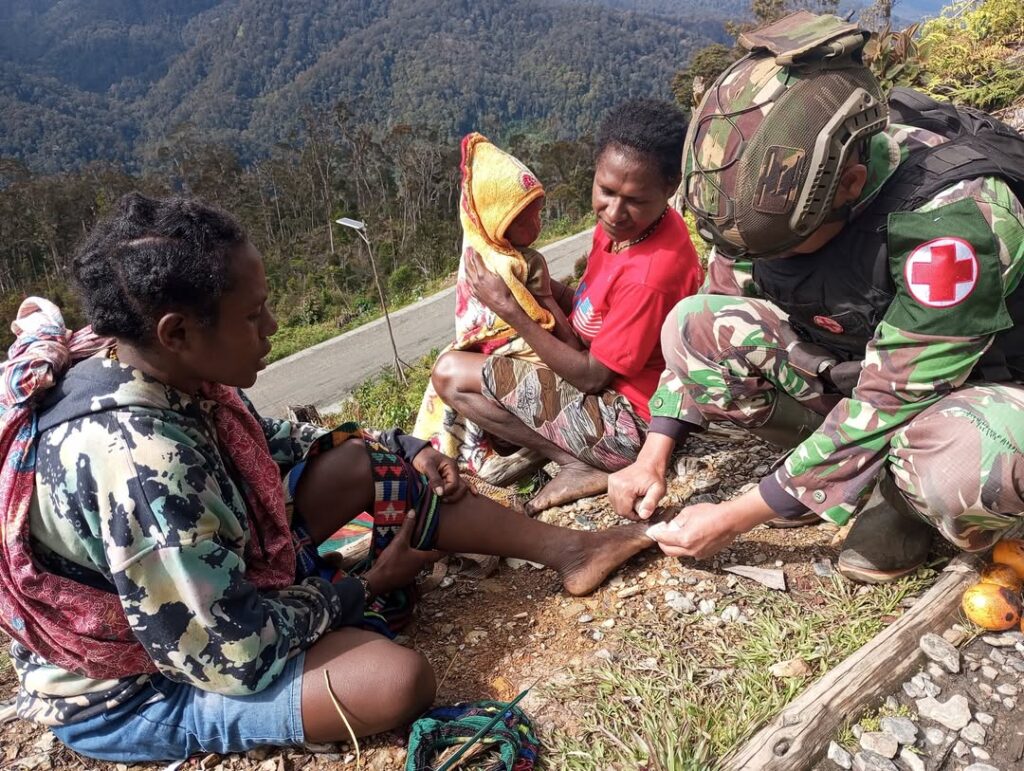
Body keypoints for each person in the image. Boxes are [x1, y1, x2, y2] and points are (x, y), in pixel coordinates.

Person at [0, 194, 657, 762]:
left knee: (367, 460)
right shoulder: (141, 465)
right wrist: (359, 588)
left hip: (202, 588)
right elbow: (233, 654)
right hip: (141, 685)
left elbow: (272, 441)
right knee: (393, 681)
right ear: (177, 332)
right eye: (253, 316)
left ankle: (571, 550)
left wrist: (405, 446)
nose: (271, 328)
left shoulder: (158, 363)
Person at [608, 11, 1024, 584]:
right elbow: (718, 296)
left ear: (849, 185)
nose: (768, 260)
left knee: (964, 469)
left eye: (787, 247)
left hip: (980, 380)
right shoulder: (767, 197)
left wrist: (735, 517)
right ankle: (838, 473)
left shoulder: (953, 224)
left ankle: (903, 500)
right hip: (867, 357)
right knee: (693, 326)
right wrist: (651, 456)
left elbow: (895, 394)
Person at [431, 99, 703, 514]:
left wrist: (510, 309)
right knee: (472, 362)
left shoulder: (652, 274)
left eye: (634, 200)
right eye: (606, 191)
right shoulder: (627, 231)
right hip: (614, 394)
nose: (614, 212)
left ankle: (577, 463)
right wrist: (539, 287)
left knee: (450, 374)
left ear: (670, 189)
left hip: (634, 423)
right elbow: (595, 312)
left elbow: (592, 377)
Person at [413, 133, 578, 480]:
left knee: (448, 377)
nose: (537, 226)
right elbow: (552, 324)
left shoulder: (480, 254)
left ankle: (464, 453)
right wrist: (570, 335)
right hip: (527, 356)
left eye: (538, 215)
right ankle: (553, 454)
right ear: (496, 221)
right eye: (525, 220)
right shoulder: (516, 264)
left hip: (485, 356)